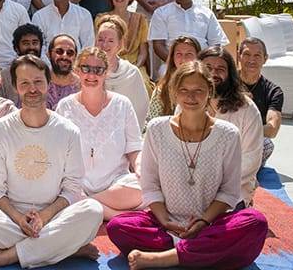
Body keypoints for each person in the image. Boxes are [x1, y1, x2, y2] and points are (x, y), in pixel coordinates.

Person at [106, 61, 268, 270]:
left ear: (209, 92)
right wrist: (165, 220)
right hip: (165, 224)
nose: (191, 97)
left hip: (211, 224)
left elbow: (229, 191)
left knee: (255, 223)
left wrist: (203, 222)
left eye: (198, 90)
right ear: (174, 92)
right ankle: (200, 252)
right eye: (184, 90)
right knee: (118, 227)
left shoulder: (228, 134)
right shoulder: (157, 129)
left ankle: (168, 257)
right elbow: (150, 184)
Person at [0, 55, 103, 269]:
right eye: (25, 83)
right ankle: (65, 248)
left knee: (93, 210)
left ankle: (9, 256)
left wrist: (45, 217)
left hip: (55, 215)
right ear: (15, 87)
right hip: (12, 218)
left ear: (48, 83)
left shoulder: (68, 131)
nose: (32, 89)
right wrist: (19, 218)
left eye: (38, 82)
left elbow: (73, 187)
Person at [56, 47, 143, 219]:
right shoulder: (65, 106)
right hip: (78, 184)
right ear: (77, 70)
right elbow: (58, 153)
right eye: (86, 68)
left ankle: (88, 205)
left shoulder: (122, 104)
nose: (91, 75)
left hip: (116, 183)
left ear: (106, 72)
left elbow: (134, 148)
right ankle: (115, 215)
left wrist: (140, 169)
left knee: (142, 188)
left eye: (98, 70)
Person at [199, 46, 263, 206]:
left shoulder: (247, 109)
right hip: (190, 185)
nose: (213, 73)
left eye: (220, 69)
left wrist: (212, 183)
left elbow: (251, 159)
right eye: (208, 68)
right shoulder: (188, 102)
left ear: (230, 74)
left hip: (232, 190)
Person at [149, 0, 228, 68]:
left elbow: (215, 44)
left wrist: (202, 65)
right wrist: (176, 64)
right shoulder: (161, 13)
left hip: (202, 67)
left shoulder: (206, 13)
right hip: (172, 67)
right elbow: (158, 46)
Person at [95, 15, 151, 128]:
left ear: (120, 44)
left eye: (110, 41)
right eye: (100, 40)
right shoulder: (85, 71)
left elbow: (141, 110)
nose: (104, 45)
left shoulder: (132, 73)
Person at [238, 37, 284, 166]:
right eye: (247, 54)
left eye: (257, 55)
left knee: (267, 145)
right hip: (225, 136)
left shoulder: (273, 91)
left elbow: (272, 129)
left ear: (265, 58)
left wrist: (245, 132)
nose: (252, 60)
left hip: (252, 141)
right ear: (239, 56)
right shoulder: (227, 82)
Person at [31, 0, 95, 53]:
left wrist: (76, 61)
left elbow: (88, 45)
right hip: (48, 60)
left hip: (76, 60)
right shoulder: (39, 16)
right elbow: (39, 47)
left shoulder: (84, 15)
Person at [97, 0, 149, 73]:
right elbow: (98, 48)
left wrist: (134, 69)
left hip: (134, 67)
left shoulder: (141, 19)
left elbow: (143, 52)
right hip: (107, 67)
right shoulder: (101, 19)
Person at [146, 36, 201, 124]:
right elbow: (151, 120)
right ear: (173, 58)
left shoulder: (205, 87)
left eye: (189, 54)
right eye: (179, 54)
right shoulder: (162, 89)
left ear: (197, 57)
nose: (183, 59)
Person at [46, 34, 80, 110]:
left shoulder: (81, 87)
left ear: (75, 57)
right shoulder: (38, 83)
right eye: (59, 51)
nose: (64, 56)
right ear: (49, 54)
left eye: (70, 53)